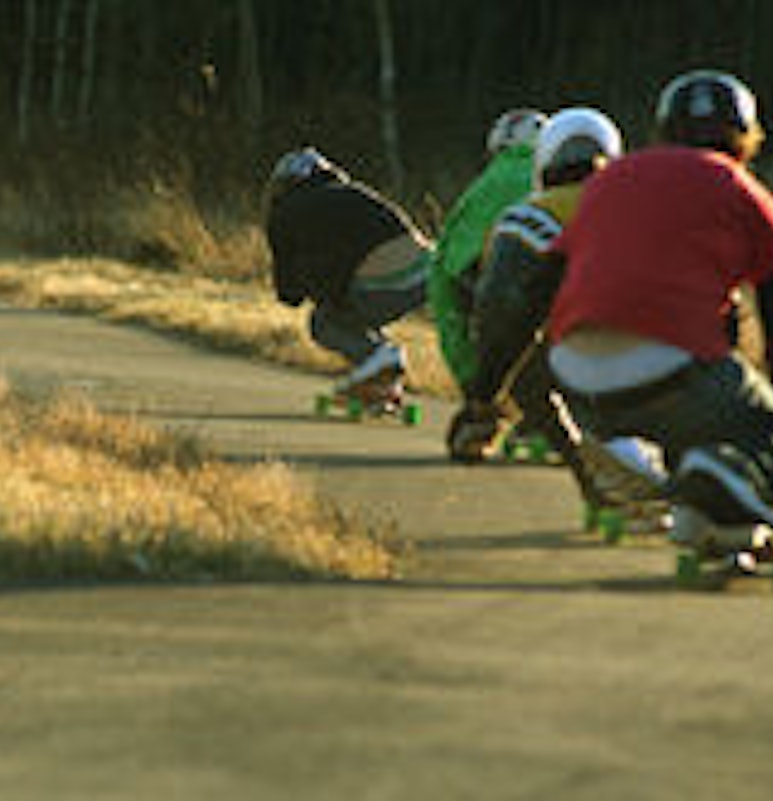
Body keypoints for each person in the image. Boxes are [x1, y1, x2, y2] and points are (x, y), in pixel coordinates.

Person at [540, 70, 773, 562]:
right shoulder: (750, 199)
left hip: (574, 379)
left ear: (663, 132)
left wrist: (496, 395)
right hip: (668, 372)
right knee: (764, 422)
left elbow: (538, 285)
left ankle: (698, 506)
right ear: (747, 140)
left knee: (706, 374)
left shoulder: (608, 181)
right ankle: (726, 476)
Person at [449, 107, 666, 529]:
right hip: (674, 351)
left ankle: (601, 478)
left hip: (585, 352)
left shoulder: (531, 215)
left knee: (529, 371)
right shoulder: (647, 209)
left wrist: (482, 398)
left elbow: (501, 312)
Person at [263, 147, 432, 399]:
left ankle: (380, 358)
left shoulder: (285, 212)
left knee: (324, 322)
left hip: (385, 285)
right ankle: (382, 380)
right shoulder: (355, 192)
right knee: (353, 316)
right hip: (427, 275)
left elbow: (289, 293)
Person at [427, 107, 548, 442]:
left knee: (507, 336)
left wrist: (473, 385)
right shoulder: (590, 179)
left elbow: (446, 280)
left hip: (494, 284)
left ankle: (508, 413)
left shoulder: (482, 189)